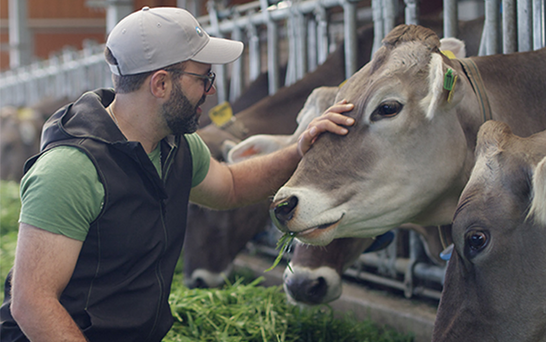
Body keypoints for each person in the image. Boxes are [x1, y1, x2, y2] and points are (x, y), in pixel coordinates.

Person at [0, 6, 355, 342]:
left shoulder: (175, 145)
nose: (211, 90)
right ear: (161, 85)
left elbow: (231, 186)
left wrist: (300, 150)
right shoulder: (71, 168)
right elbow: (32, 303)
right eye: (203, 77)